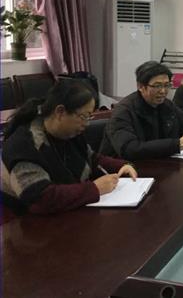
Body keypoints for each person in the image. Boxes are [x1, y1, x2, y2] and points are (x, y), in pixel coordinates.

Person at [1, 81, 137, 214]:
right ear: (60, 112)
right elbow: (40, 199)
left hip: (66, 213)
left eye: (89, 117)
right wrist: (94, 189)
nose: (87, 124)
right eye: (84, 116)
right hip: (21, 221)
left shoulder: (70, 134)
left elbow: (92, 159)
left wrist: (122, 166)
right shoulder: (23, 145)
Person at [100, 61, 183, 160]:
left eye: (167, 85)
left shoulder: (166, 105)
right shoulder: (123, 111)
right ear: (141, 87)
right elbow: (130, 149)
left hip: (158, 164)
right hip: (124, 171)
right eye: (157, 86)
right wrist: (175, 145)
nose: (163, 91)